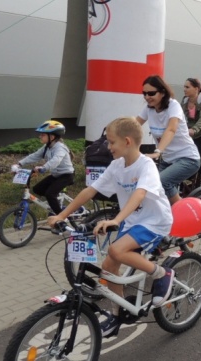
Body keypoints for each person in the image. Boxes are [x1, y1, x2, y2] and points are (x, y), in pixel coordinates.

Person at [47, 117, 173, 338]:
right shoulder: (116, 166)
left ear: (126, 141)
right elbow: (91, 191)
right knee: (108, 268)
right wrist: (61, 215)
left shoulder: (146, 166)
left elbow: (140, 193)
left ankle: (162, 273)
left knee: (117, 250)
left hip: (154, 221)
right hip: (133, 221)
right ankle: (118, 314)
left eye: (111, 142)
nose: (108, 146)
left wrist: (115, 220)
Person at [136, 75, 200, 205]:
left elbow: (171, 129)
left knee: (162, 181)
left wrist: (158, 151)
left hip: (187, 158)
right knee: (151, 188)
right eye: (144, 93)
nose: (147, 97)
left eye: (151, 93)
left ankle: (185, 214)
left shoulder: (173, 105)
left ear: (162, 92)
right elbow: (134, 124)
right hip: (168, 160)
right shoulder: (149, 108)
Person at [12, 120, 75, 216]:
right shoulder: (47, 147)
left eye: (43, 135)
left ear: (52, 137)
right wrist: (19, 164)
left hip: (66, 175)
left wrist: (43, 168)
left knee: (50, 194)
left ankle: (61, 217)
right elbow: (34, 156)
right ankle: (56, 205)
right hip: (55, 175)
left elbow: (55, 160)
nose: (40, 136)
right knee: (38, 189)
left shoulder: (60, 148)